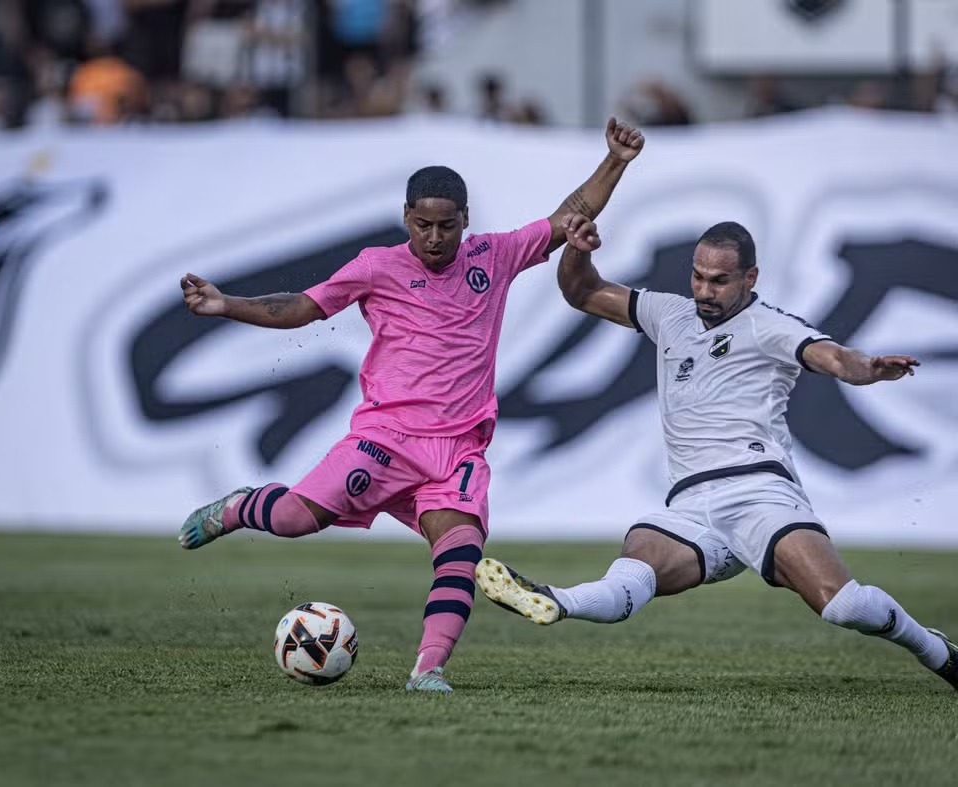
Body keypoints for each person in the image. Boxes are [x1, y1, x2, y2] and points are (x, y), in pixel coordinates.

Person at [178, 119, 646, 693]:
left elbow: (568, 214)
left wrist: (615, 161)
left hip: (458, 450)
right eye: (422, 224)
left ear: (465, 222)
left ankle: (429, 669)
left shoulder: (494, 257)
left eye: (446, 226)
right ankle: (239, 508)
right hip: (385, 438)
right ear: (406, 218)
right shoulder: (377, 265)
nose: (433, 237)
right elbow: (300, 307)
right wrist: (227, 305)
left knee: (462, 553)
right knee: (295, 519)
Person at [476, 217, 958, 692]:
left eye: (720, 281)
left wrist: (867, 367)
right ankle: (552, 600)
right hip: (689, 505)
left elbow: (831, 356)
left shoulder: (768, 326)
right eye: (698, 277)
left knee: (844, 606)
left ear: (750, 278)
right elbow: (582, 292)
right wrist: (577, 249)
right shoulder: (669, 314)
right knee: (631, 575)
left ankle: (934, 650)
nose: (705, 291)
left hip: (758, 493)